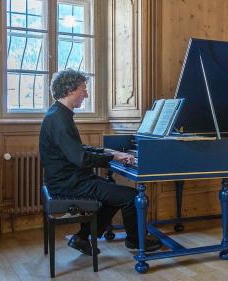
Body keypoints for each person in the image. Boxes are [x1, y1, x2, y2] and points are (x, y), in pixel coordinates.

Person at [39, 69, 162, 255]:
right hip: (69, 184)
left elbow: (77, 150)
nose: (86, 93)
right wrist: (113, 157)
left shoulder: (58, 113)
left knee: (113, 193)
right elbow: (80, 158)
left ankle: (82, 237)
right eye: (83, 89)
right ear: (70, 90)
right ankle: (136, 241)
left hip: (68, 179)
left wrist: (107, 151)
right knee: (133, 197)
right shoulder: (59, 118)